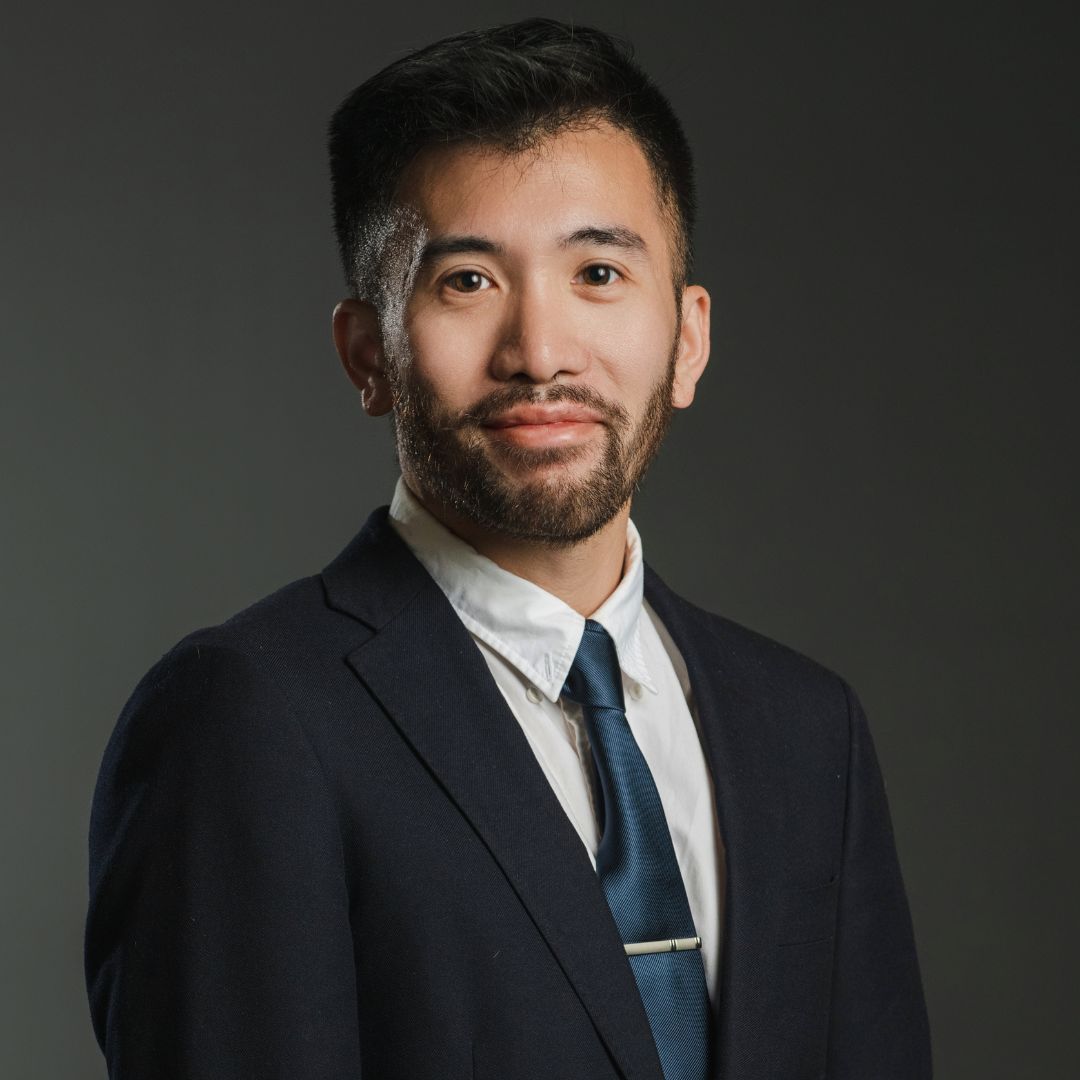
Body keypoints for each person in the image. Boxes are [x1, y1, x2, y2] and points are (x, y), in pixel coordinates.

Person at [84, 17, 931, 1080]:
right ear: (367, 353)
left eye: (600, 274)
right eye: (468, 281)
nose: (540, 354)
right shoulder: (247, 718)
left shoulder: (808, 733)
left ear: (690, 337)